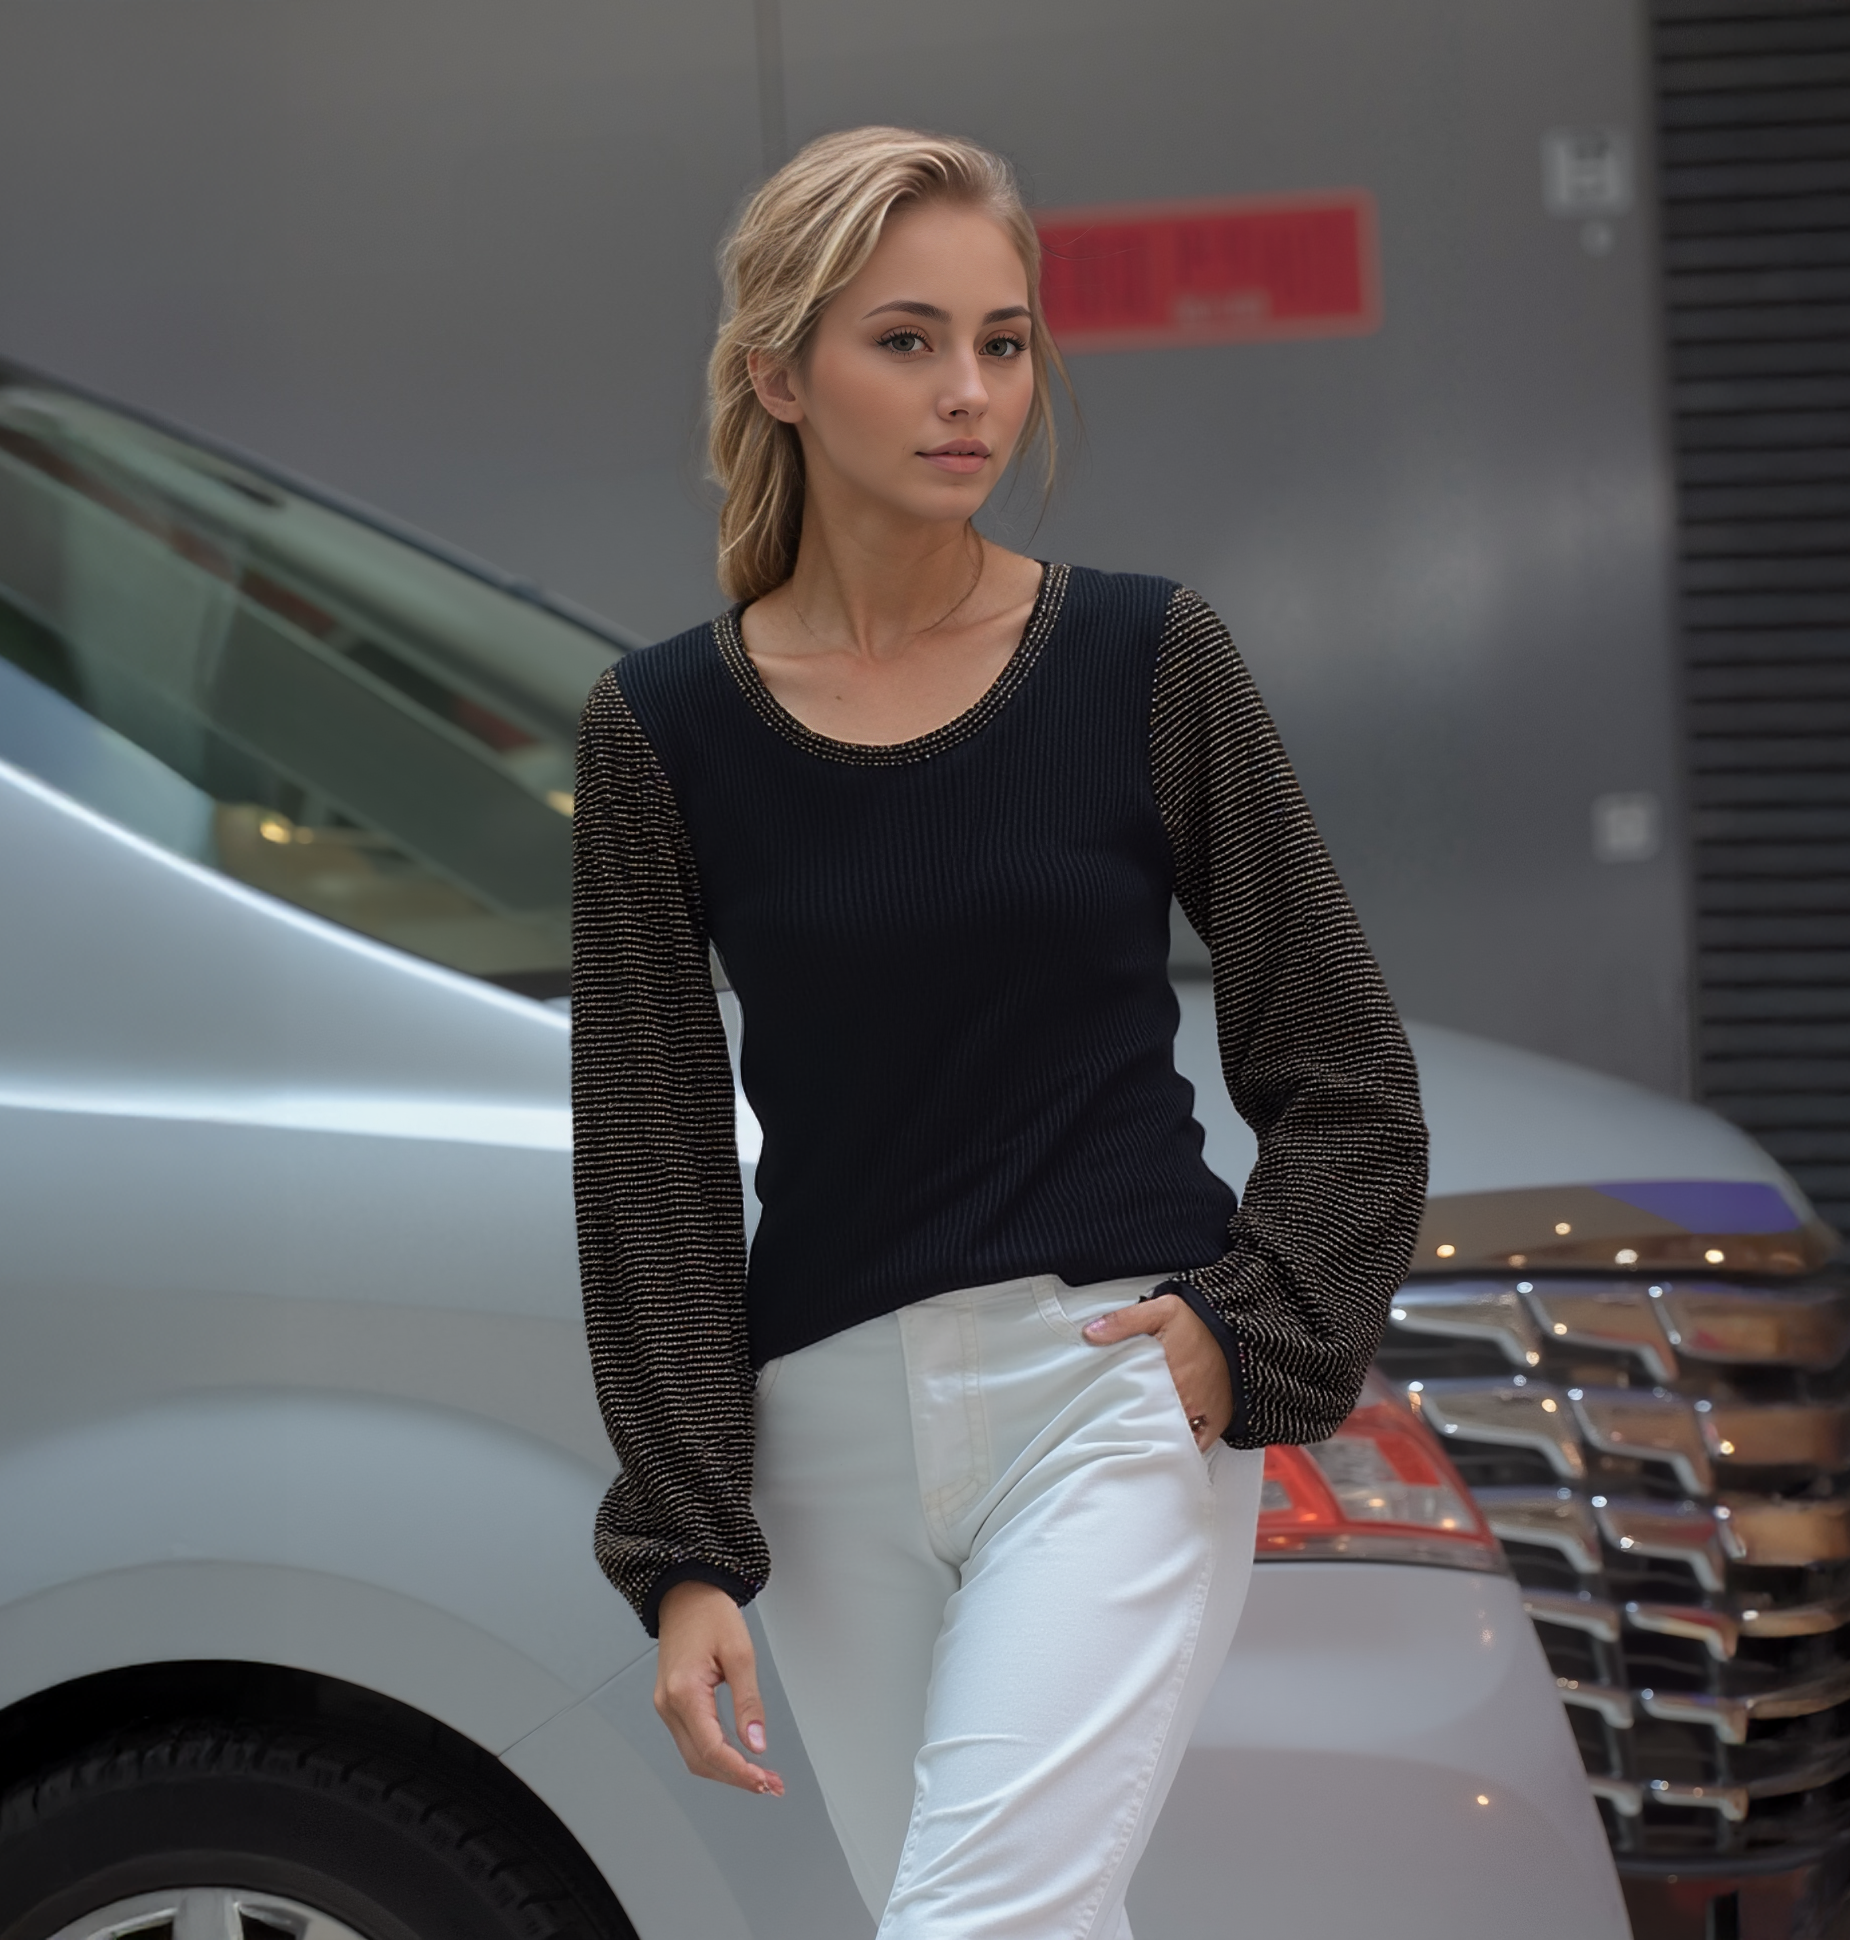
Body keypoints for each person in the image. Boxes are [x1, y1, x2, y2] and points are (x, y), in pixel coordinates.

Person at [571, 125, 1428, 1940]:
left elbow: (1346, 1069)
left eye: (1007, 341)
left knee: (975, 1927)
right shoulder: (659, 730)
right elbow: (649, 1169)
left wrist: (1240, 1335)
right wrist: (688, 1546)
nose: (974, 393)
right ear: (776, 372)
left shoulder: (1146, 659)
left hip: (1108, 1394)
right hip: (826, 1440)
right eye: (909, 340)